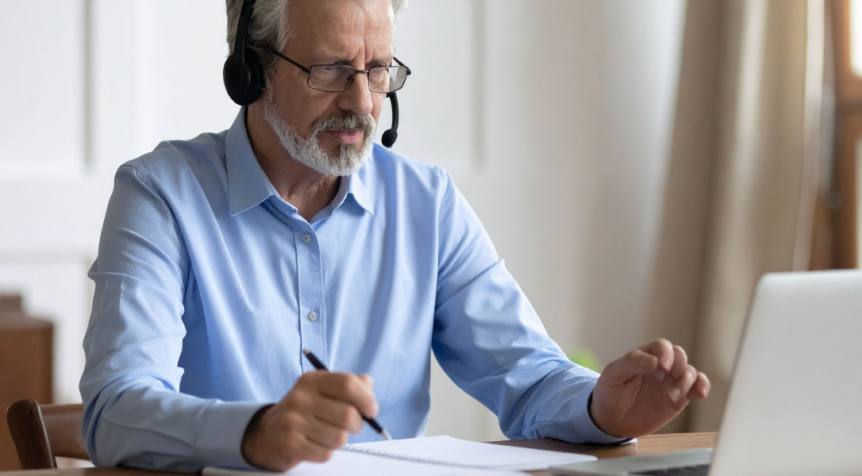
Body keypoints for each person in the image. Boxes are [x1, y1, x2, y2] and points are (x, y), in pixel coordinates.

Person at [79, 0, 711, 471]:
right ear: (251, 70)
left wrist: (603, 409)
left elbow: (527, 373)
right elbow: (115, 410)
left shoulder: (425, 201)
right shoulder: (159, 194)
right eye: (330, 71)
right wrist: (256, 433)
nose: (362, 101)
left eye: (378, 70)